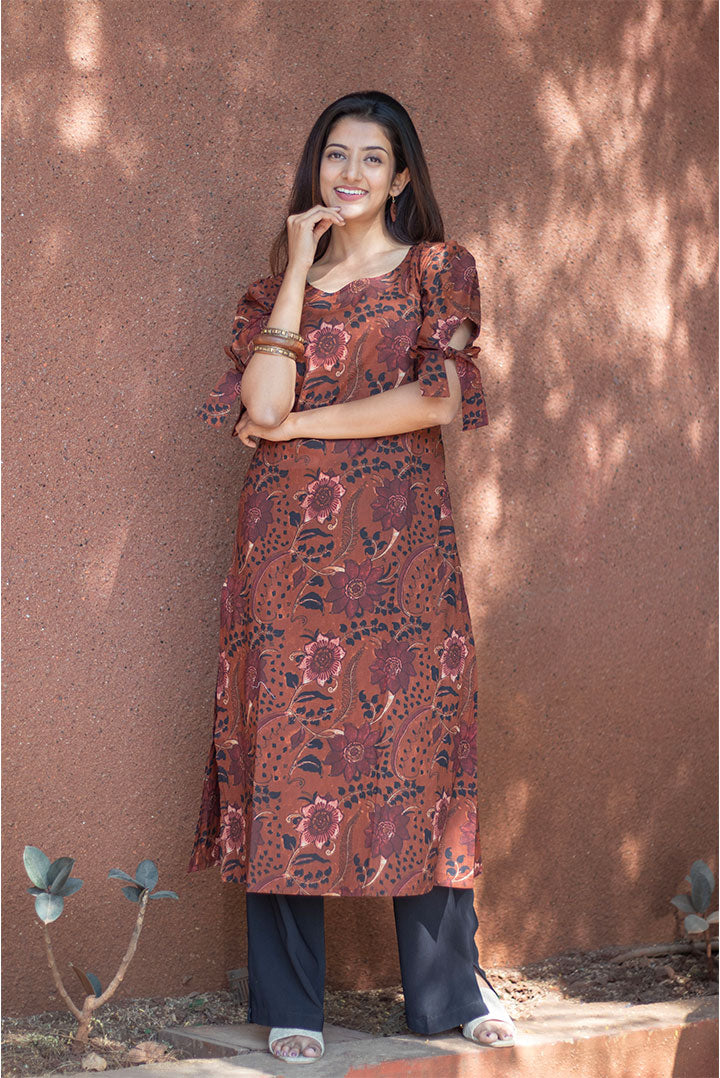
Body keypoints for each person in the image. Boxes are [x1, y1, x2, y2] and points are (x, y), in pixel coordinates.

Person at [187, 90, 517, 1063]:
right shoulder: (271, 289)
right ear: (315, 166)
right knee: (288, 758)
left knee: (422, 753)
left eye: (373, 158)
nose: (352, 174)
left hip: (403, 551)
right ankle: (292, 1003)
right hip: (286, 555)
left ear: (402, 174)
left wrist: (300, 425)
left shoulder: (438, 271)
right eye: (337, 155)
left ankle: (448, 992)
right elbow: (261, 401)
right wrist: (298, 270)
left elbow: (435, 398)